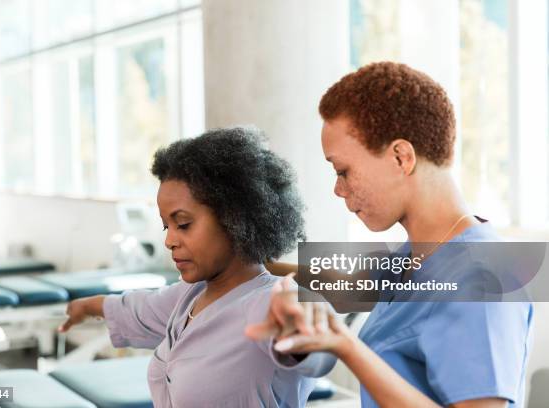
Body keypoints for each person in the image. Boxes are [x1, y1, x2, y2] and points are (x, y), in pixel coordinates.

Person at [247, 62, 533, 408]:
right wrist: (253, 265)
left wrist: (346, 346)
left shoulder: (482, 277)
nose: (338, 189)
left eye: (343, 171)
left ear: (401, 157)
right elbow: (332, 276)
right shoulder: (414, 257)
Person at [59, 127, 336, 407]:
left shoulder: (267, 303)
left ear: (234, 218)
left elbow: (317, 349)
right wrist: (87, 307)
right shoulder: (190, 295)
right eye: (167, 226)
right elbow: (139, 308)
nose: (169, 240)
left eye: (183, 224)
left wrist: (302, 336)